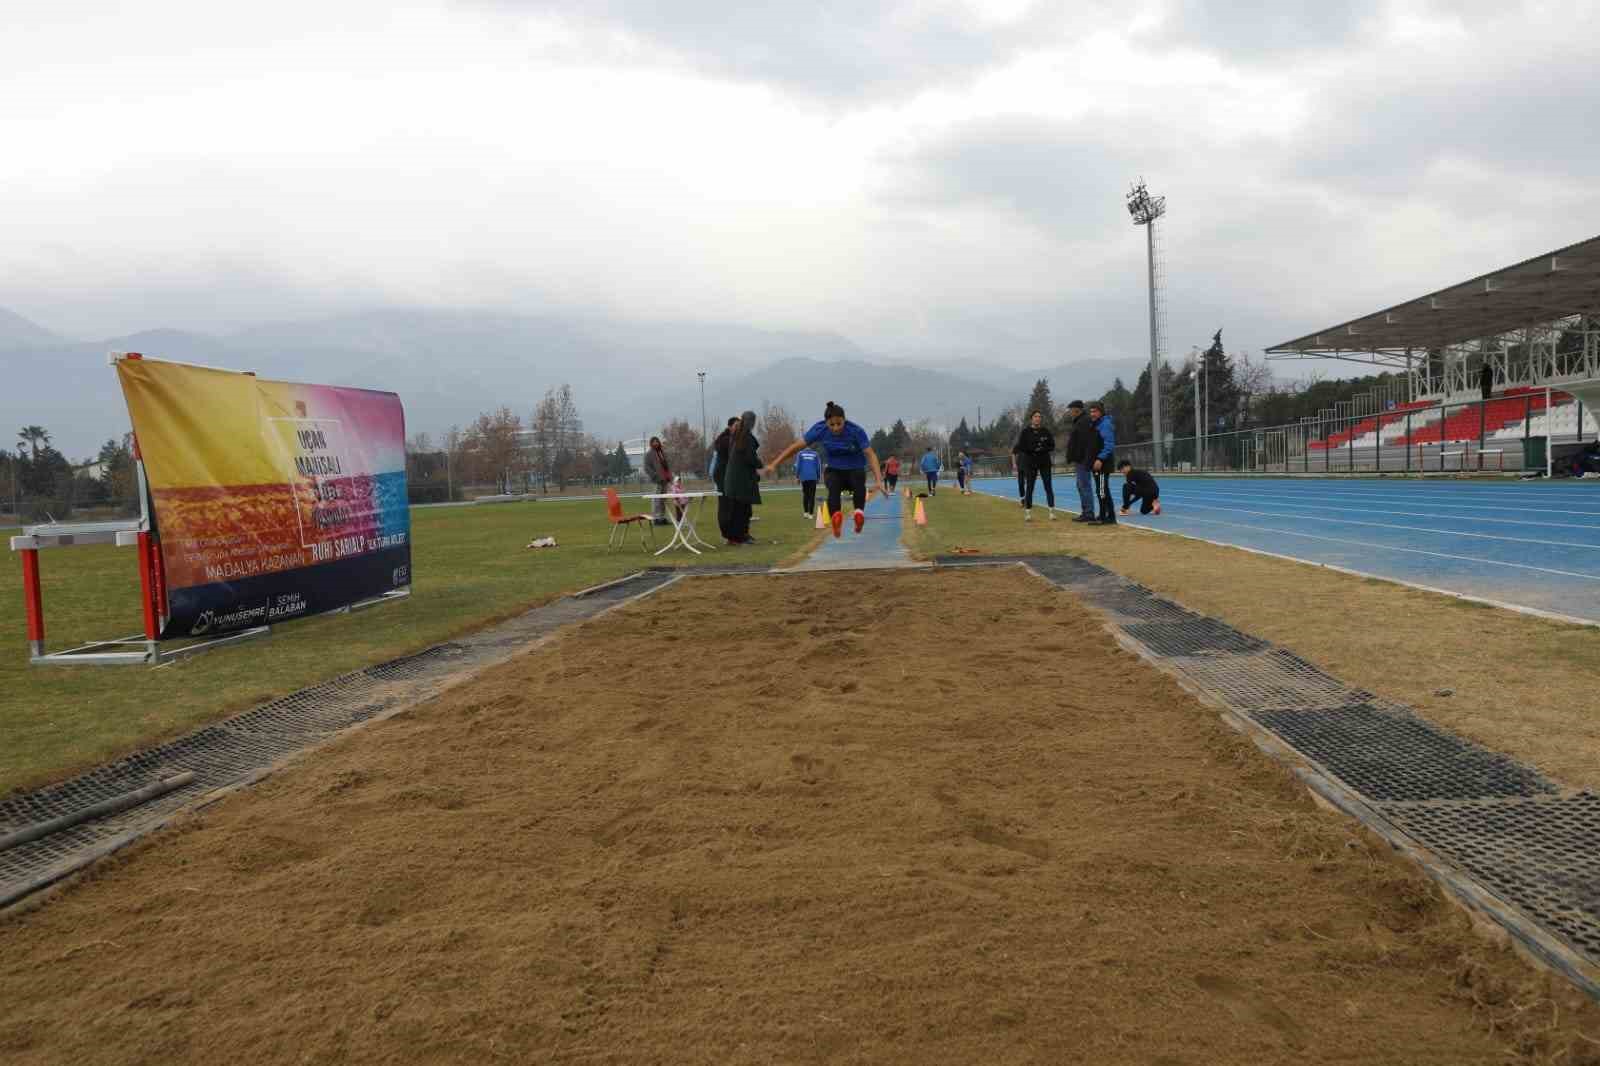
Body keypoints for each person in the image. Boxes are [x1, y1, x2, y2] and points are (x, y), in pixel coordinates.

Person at [764, 401, 886, 538]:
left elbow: (870, 454)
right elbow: (796, 447)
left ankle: (858, 514)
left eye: (839, 424)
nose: (835, 428)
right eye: (831, 425)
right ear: (826, 422)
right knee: (833, 490)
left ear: (844, 420)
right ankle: (839, 517)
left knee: (857, 484)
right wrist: (774, 463)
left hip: (855, 469)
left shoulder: (855, 431)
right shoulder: (820, 429)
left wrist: (879, 480)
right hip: (835, 470)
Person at [721, 410, 762, 544]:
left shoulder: (737, 436)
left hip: (736, 480)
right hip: (740, 481)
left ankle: (739, 535)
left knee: (740, 509)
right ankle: (739, 536)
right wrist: (761, 464)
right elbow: (750, 458)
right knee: (741, 510)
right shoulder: (745, 437)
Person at [1011, 409, 1057, 521]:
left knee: (1048, 486)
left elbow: (1052, 445)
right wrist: (1034, 449)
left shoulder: (1046, 431)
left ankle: (1051, 512)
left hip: (1045, 462)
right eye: (1035, 416)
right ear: (1031, 418)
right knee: (1030, 488)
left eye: (1039, 416)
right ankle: (1027, 513)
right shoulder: (1025, 432)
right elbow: (1021, 446)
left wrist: (1042, 448)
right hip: (1030, 463)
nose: (1038, 418)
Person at [1063, 399, 1097, 523]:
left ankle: (1089, 513)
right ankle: (1086, 512)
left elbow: (1084, 443)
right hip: (1080, 459)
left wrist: (1082, 457)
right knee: (1081, 485)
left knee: (1084, 485)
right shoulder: (1079, 421)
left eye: (1071, 410)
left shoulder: (1083, 422)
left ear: (1077, 409)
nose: (1070, 412)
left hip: (1083, 460)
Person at [1088, 401, 1117, 524]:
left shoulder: (1105, 424)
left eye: (1094, 411)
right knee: (1102, 489)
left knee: (1101, 490)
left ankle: (1105, 517)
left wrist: (1100, 458)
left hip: (1102, 464)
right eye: (1091, 412)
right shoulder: (1097, 424)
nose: (1092, 414)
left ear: (1100, 412)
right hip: (1097, 463)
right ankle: (1108, 516)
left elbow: (1109, 444)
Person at [711, 416, 739, 540]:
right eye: (736, 426)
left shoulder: (734, 439)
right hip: (723, 477)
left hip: (732, 477)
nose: (738, 428)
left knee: (734, 506)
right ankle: (727, 534)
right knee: (726, 506)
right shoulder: (724, 440)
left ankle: (735, 533)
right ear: (730, 426)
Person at [643, 436, 672, 525]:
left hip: (665, 479)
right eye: (654, 442)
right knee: (656, 500)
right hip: (657, 480)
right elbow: (646, 467)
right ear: (651, 444)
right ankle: (655, 518)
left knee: (663, 500)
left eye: (657, 442)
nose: (656, 443)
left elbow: (665, 465)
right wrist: (654, 476)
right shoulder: (649, 454)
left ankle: (662, 518)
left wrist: (669, 476)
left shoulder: (661, 453)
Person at [795, 443, 821, 518]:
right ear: (811, 446)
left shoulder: (800, 454)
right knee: (812, 495)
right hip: (813, 477)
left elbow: (798, 466)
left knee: (805, 495)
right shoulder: (815, 454)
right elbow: (818, 466)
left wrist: (797, 476)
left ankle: (805, 513)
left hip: (804, 477)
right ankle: (811, 514)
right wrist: (818, 477)